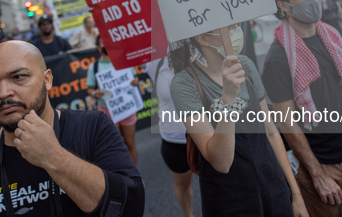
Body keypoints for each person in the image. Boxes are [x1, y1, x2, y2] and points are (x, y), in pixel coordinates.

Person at [0, 41, 144, 216]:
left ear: (47, 80)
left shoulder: (92, 127)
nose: (3, 93)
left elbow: (130, 207)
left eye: (19, 77)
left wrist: (54, 157)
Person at [169, 24, 308, 217]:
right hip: (230, 200)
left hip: (273, 186)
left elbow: (271, 133)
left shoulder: (246, 65)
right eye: (228, 27)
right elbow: (221, 162)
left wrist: (296, 194)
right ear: (203, 38)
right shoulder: (185, 84)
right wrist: (228, 100)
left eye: (235, 24)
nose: (236, 30)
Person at [262, 0, 342, 217]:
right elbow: (288, 124)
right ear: (284, 6)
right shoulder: (278, 58)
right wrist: (317, 174)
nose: (314, 0)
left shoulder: (331, 35)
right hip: (317, 163)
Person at [147, 57, 194, 217]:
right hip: (174, 141)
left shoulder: (199, 49)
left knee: (217, 184)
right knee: (182, 185)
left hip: (206, 135)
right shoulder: (154, 62)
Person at [87, 35, 140, 165]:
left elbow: (135, 78)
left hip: (126, 107)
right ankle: (121, 176)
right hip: (107, 111)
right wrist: (95, 93)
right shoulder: (94, 67)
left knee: (130, 143)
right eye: (103, 43)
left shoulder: (122, 60)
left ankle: (134, 177)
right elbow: (90, 89)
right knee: (114, 147)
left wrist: (135, 81)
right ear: (98, 48)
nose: (107, 45)